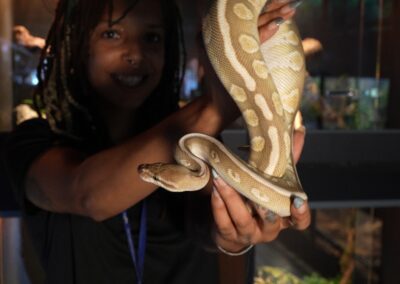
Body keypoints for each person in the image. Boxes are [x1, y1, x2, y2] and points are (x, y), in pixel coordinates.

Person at [3, 0, 310, 283]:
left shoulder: (202, 142)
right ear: (77, 43)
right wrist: (218, 104)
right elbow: (87, 195)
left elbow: (206, 232)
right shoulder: (34, 141)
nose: (134, 54)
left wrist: (232, 238)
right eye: (111, 34)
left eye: (152, 38)